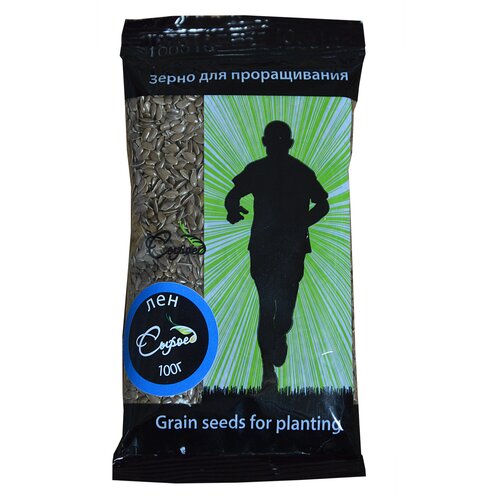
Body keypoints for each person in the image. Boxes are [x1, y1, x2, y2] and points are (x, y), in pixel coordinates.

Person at [224, 121, 330, 389]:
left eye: (279, 142)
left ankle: (280, 332)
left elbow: (323, 203)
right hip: (266, 248)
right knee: (267, 307)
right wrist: (232, 209)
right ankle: (268, 370)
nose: (277, 146)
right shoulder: (260, 170)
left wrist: (302, 223)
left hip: (290, 249)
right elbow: (233, 195)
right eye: (275, 142)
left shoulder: (300, 172)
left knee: (282, 311)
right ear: (266, 143)